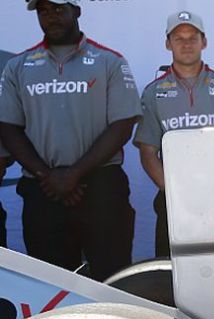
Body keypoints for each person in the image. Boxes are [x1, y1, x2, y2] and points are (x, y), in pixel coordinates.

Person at [0, 0, 140, 281]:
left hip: (101, 187)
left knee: (114, 280)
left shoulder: (109, 61)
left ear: (76, 11)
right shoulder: (19, 66)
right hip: (43, 190)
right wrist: (49, 176)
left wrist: (73, 174)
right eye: (43, 11)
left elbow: (122, 125)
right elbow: (8, 127)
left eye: (58, 9)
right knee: (51, 286)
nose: (51, 16)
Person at [135, 10, 214, 257]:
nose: (186, 44)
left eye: (192, 38)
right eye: (179, 38)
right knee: (171, 272)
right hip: (174, 203)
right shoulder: (154, 92)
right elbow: (147, 151)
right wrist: (172, 190)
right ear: (168, 44)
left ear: (204, 42)